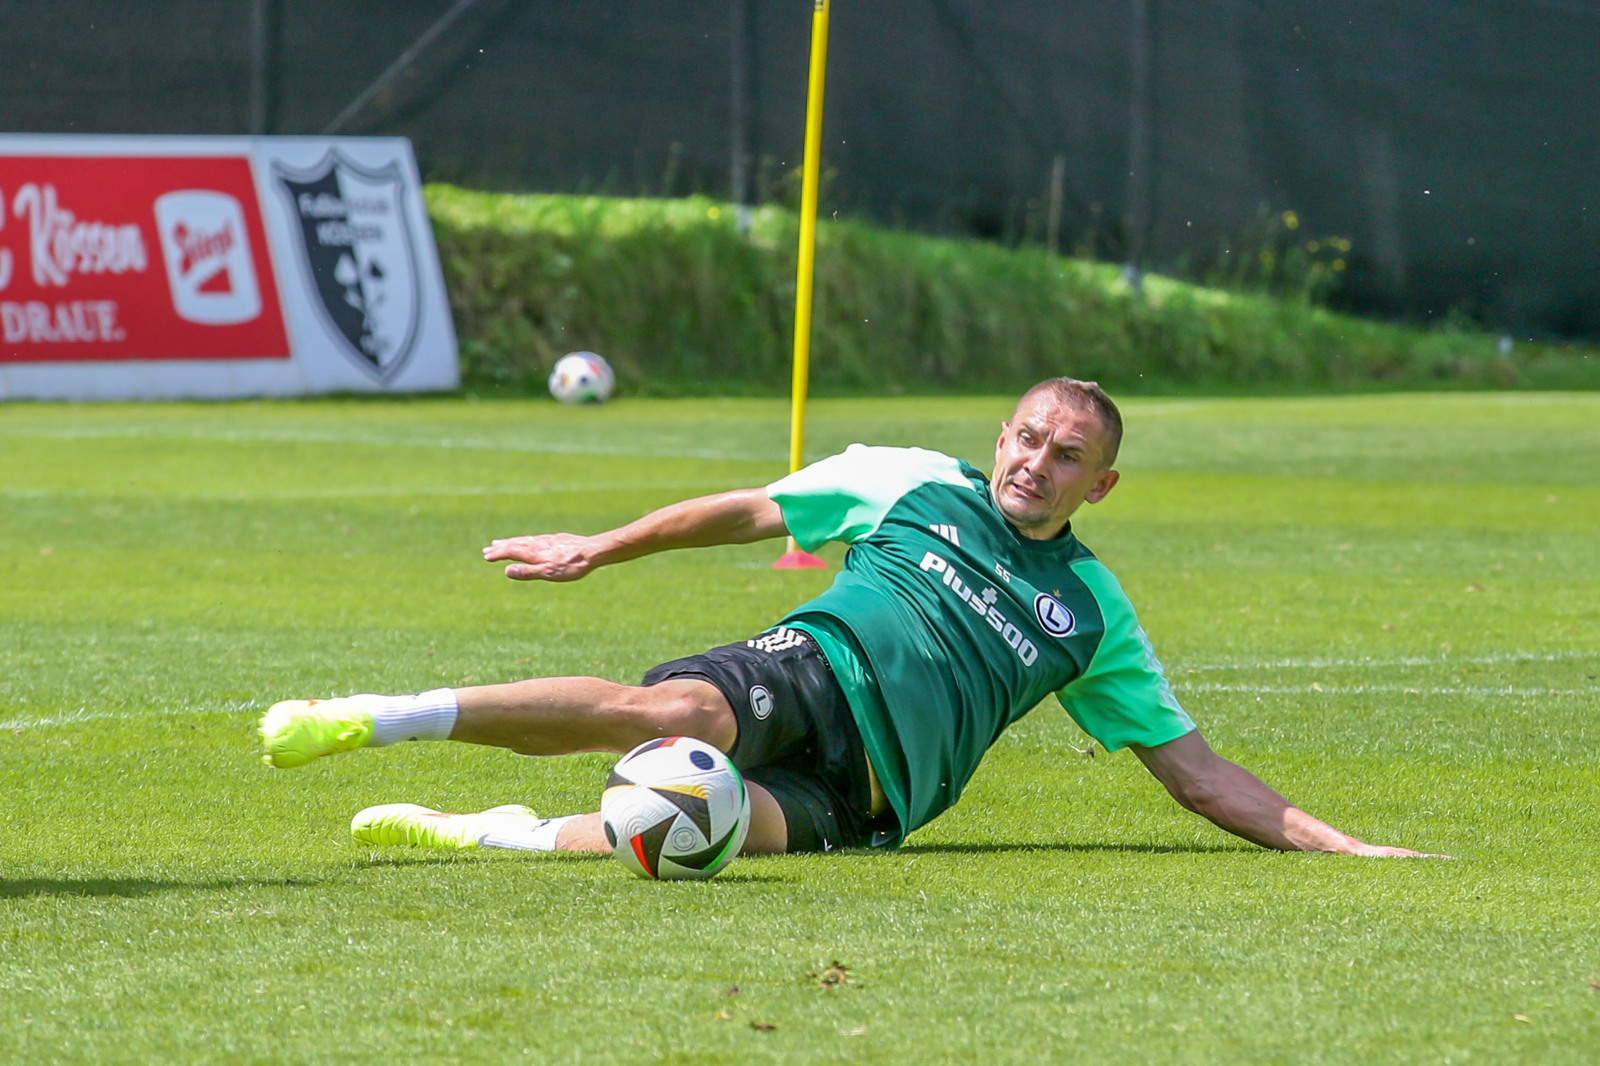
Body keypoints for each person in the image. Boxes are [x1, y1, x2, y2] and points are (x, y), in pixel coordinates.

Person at [259, 378, 1440, 859]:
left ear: (1100, 485)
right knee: (672, 713)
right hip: (813, 670)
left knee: (680, 830)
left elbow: (1193, 774)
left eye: (1066, 454)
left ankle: (487, 832)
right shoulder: (911, 483)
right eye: (1027, 438)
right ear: (1000, 440)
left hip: (885, 796)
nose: (1036, 461)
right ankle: (375, 716)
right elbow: (748, 508)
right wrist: (600, 548)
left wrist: (1343, 849)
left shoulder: (1092, 615)